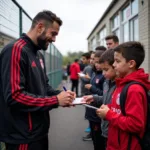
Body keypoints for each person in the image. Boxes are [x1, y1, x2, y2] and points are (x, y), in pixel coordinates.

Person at [0, 10, 75, 150]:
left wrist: (63, 95)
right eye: (53, 34)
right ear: (40, 27)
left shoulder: (38, 55)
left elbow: (44, 87)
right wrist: (55, 100)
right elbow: (14, 96)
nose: (54, 39)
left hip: (39, 133)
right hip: (22, 136)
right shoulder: (15, 50)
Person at [97, 42, 150, 150]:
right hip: (116, 143)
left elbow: (135, 125)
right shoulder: (121, 84)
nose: (114, 65)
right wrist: (109, 108)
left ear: (131, 63)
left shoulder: (134, 89)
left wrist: (109, 114)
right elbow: (121, 110)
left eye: (117, 61)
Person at [83, 49, 117, 149]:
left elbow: (135, 124)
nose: (103, 73)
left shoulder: (125, 86)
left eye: (106, 69)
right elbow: (107, 98)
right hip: (103, 122)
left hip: (109, 125)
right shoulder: (107, 81)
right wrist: (94, 97)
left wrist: (93, 89)